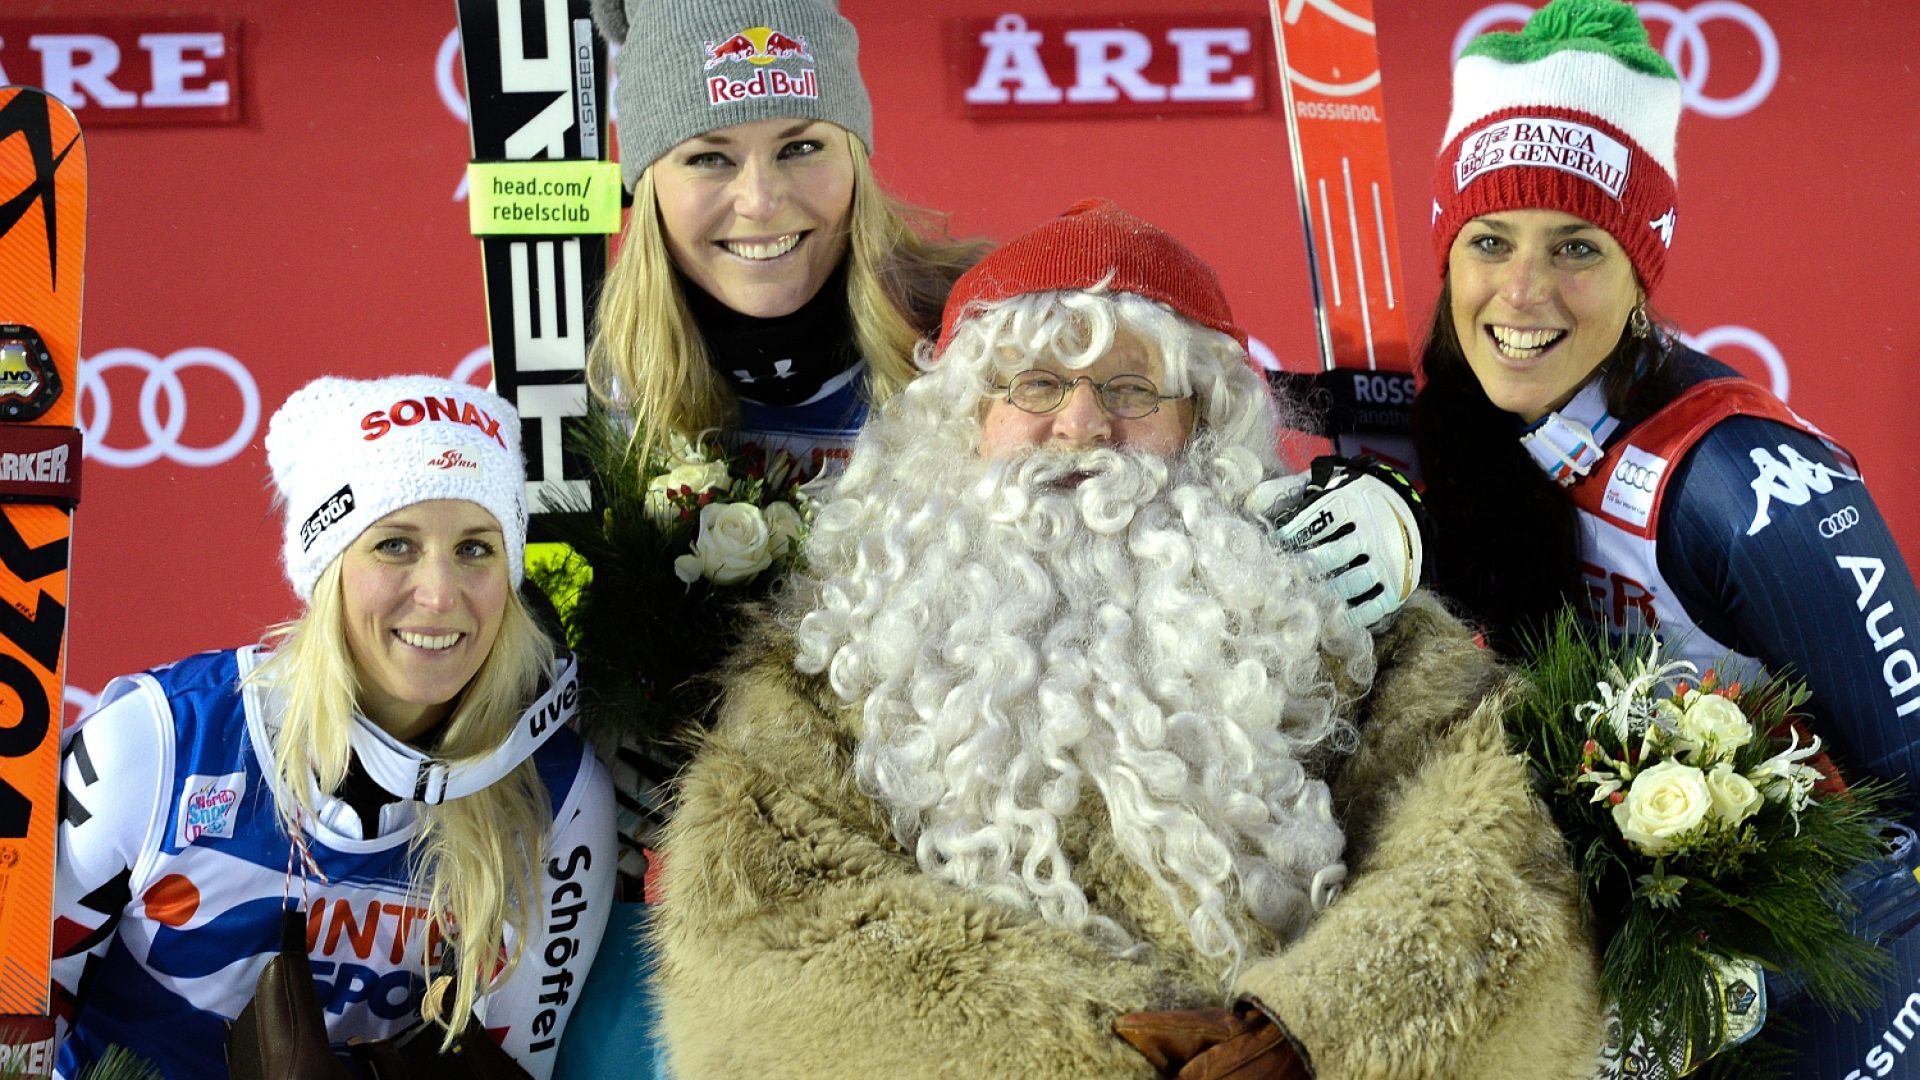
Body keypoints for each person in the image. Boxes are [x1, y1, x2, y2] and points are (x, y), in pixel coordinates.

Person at [648, 199, 1604, 1078]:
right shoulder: (840, 650)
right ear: (969, 422)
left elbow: (1490, 859)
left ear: (1203, 426)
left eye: (1132, 389)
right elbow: (762, 933)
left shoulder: (1351, 630)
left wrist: (1313, 1036)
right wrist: (1087, 1048)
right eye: (1035, 383)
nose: (1082, 425)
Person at [1412, 0, 1920, 800]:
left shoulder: (1739, 480)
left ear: (1640, 274)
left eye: (1575, 247)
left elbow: (1911, 787)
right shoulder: (1445, 427)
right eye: (1490, 240)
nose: (1520, 291)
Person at [50, 375, 616, 1079]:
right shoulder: (160, 743)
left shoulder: (555, 799)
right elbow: (20, 1026)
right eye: (395, 546)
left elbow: (517, 1066)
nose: (440, 596)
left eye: (476, 548)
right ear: (329, 568)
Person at [586, 0, 984, 470]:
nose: (760, 202)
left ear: (854, 161)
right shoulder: (575, 392)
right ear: (648, 187)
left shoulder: (981, 345)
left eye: (800, 148)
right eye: (709, 159)